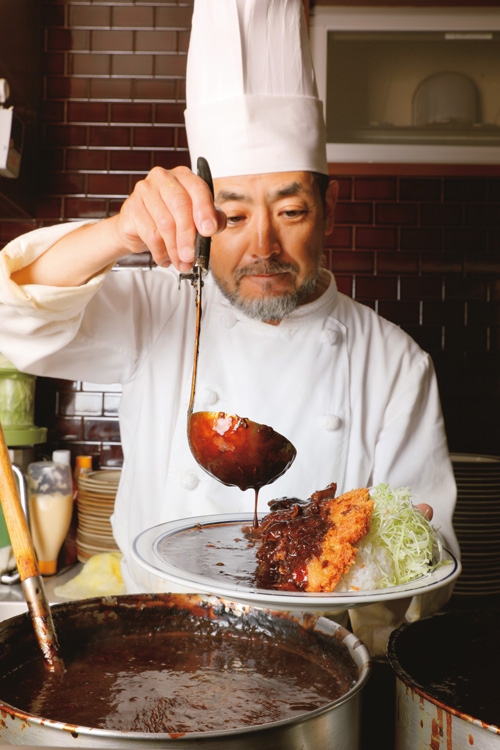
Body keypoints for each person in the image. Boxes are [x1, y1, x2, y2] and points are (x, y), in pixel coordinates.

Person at [0, 0, 458, 656]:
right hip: (148, 651)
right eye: (234, 217)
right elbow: (12, 320)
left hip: (314, 664)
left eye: (292, 209)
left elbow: (424, 582)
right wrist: (117, 232)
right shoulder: (156, 311)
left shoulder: (392, 362)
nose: (263, 246)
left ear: (329, 208)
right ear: (203, 221)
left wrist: (394, 551)